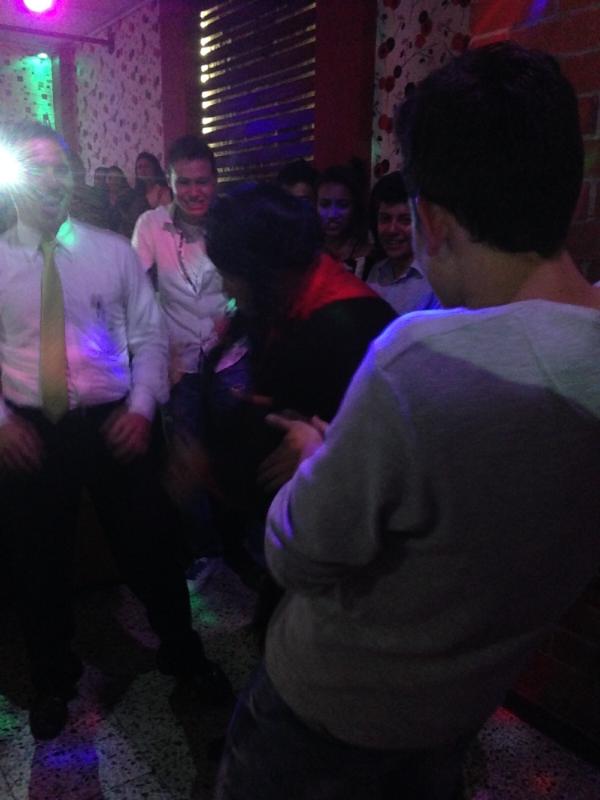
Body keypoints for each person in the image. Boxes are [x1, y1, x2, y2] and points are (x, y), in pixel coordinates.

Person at [215, 43, 600, 800]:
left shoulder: (419, 357)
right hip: (460, 705)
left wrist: (315, 457)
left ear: (433, 220)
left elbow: (297, 556)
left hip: (331, 708)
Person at [0, 121, 230, 743]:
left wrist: (143, 407)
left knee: (152, 546)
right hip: (30, 429)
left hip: (114, 421)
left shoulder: (111, 252)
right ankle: (53, 678)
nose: (51, 180)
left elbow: (149, 337)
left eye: (60, 168)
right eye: (36, 168)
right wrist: (2, 422)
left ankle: (183, 654)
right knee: (38, 562)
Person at [198, 184, 395, 630]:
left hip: (341, 549)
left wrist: (323, 445)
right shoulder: (291, 299)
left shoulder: (348, 325)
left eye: (231, 274)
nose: (227, 286)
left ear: (264, 271)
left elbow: (380, 453)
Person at [132, 135, 227, 562]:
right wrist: (160, 348)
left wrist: (234, 314)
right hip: (180, 362)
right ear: (169, 183)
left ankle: (244, 543)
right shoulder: (151, 225)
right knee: (187, 457)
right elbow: (135, 291)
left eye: (201, 181)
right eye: (184, 182)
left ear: (215, 181)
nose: (193, 192)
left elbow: (251, 280)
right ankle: (206, 551)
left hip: (232, 357)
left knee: (234, 449)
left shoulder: (231, 220)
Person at [365, 170, 439, 314]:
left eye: (405, 220)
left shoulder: (435, 277)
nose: (392, 229)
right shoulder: (375, 273)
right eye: (385, 219)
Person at [316, 163, 371, 277]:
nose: (332, 215)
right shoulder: (307, 254)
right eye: (325, 205)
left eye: (342, 205)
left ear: (355, 207)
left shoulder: (370, 257)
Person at [120, 151, 172, 238]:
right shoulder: (135, 193)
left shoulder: (163, 191)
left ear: (154, 168)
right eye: (139, 167)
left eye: (146, 166)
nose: (142, 170)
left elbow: (166, 222)